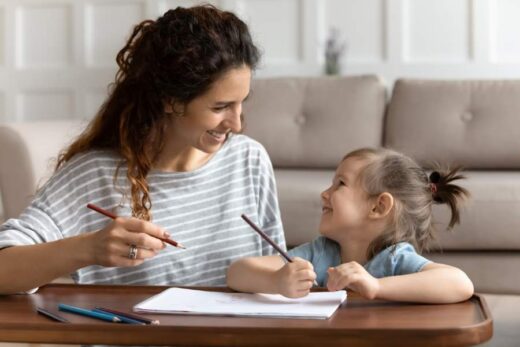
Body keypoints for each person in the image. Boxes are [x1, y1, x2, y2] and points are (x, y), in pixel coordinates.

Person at [0, 5, 286, 294]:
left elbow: (276, 268)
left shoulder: (250, 159)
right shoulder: (94, 175)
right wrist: (88, 248)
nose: (236, 124)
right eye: (220, 107)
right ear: (170, 100)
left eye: (241, 102)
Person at [227, 148, 475, 303]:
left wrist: (376, 286)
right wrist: (276, 282)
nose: (325, 193)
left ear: (378, 207)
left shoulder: (394, 260)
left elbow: (460, 283)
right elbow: (237, 272)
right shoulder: (319, 253)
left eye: (340, 184)